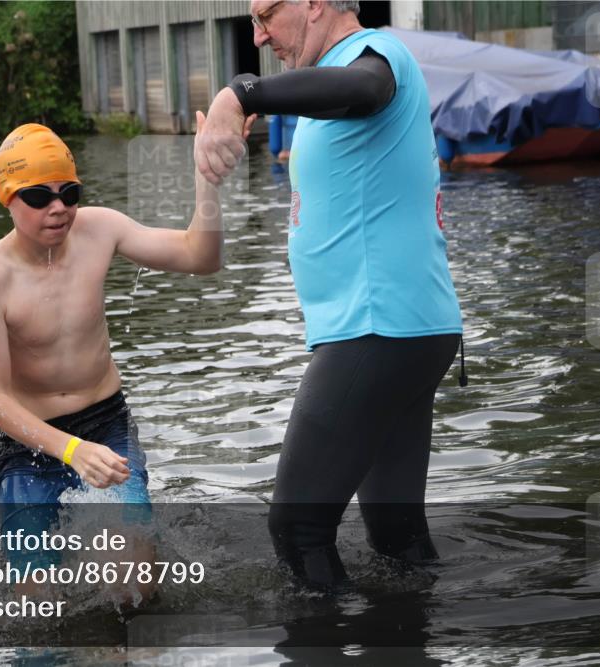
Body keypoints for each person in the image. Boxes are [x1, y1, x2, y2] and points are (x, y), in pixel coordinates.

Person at [195, 0, 464, 589]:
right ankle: (414, 641)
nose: (260, 37)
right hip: (404, 329)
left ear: (315, 3)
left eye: (265, 17)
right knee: (395, 537)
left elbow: (367, 89)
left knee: (297, 530)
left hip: (376, 330)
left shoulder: (376, 58)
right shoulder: (330, 77)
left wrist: (240, 93)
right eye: (252, 26)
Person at [0, 121, 244, 597]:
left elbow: (202, 258)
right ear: (8, 198)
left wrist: (207, 181)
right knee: (38, 602)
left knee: (137, 581)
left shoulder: (101, 229)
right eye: (39, 197)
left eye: (69, 193)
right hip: (28, 447)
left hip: (106, 423)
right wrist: (71, 451)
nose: (59, 208)